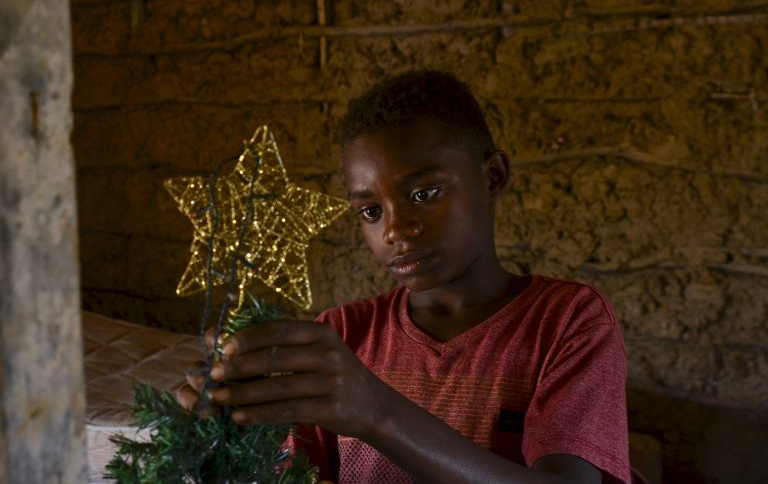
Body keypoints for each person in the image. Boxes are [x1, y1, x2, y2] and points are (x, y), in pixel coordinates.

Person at [178, 70, 630, 484]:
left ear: (492, 177)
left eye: (424, 192)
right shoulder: (340, 336)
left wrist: (377, 412)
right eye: (370, 211)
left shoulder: (568, 320)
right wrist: (225, 437)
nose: (394, 229)